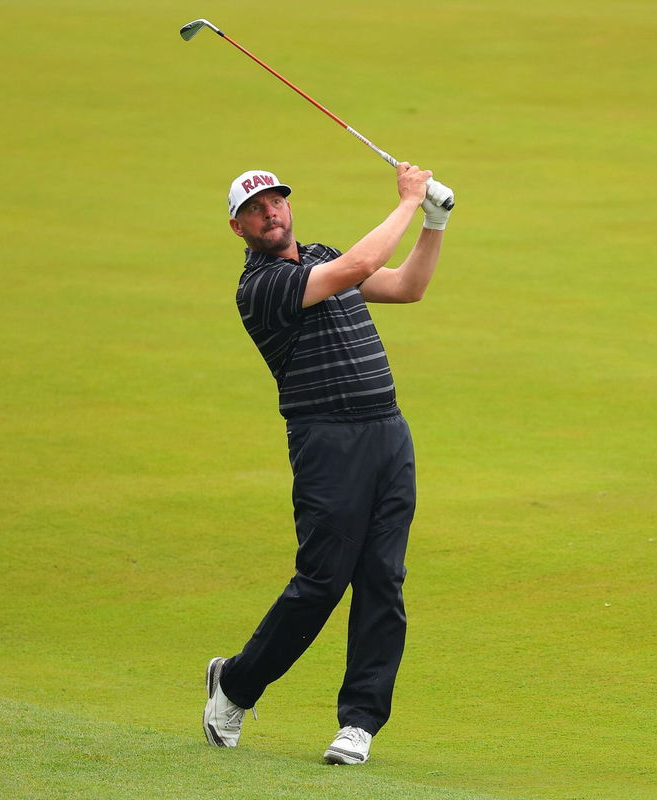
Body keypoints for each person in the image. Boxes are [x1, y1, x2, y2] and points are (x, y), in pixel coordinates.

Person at [202, 163, 453, 765]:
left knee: (382, 580)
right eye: (257, 210)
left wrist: (434, 225)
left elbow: (405, 287)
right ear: (238, 227)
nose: (272, 214)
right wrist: (408, 199)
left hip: (389, 433)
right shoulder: (260, 288)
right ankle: (235, 684)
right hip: (327, 443)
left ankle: (359, 723)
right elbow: (360, 268)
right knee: (322, 582)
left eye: (277, 202)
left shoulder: (319, 257)